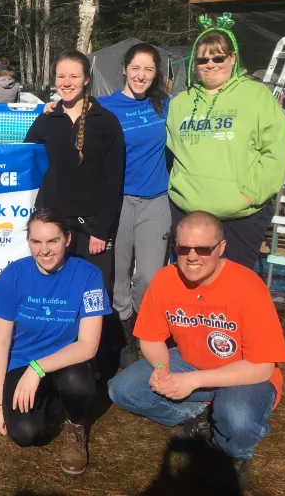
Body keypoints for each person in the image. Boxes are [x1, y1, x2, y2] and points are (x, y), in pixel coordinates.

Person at [107, 211, 285, 490]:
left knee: (238, 418)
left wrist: (193, 381)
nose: (192, 257)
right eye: (183, 249)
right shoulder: (165, 280)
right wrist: (161, 368)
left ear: (221, 248)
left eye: (203, 249)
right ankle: (201, 413)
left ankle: (236, 454)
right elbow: (151, 338)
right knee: (122, 390)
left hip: (243, 375)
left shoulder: (248, 285)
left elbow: (262, 367)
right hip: (190, 362)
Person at [0, 49, 124, 287]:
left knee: (95, 292)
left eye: (74, 76)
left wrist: (101, 230)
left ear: (87, 79)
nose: (66, 83)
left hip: (92, 225)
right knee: (56, 289)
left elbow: (113, 179)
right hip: (53, 223)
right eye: (61, 76)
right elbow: (24, 154)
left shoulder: (106, 121)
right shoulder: (48, 119)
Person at [0, 208, 111, 476]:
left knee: (77, 383)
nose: (44, 250)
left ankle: (75, 423)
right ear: (28, 241)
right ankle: (48, 400)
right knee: (25, 434)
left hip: (68, 361)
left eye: (53, 241)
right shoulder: (14, 274)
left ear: (67, 239)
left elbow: (88, 345)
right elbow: (0, 343)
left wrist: (38, 368)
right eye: (36, 242)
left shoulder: (89, 275)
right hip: (23, 362)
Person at [166, 16, 285, 270]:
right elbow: (172, 152)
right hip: (188, 213)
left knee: (233, 283)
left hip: (240, 216)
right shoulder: (180, 102)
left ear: (233, 58)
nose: (210, 65)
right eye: (202, 60)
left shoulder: (256, 95)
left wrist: (249, 195)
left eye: (218, 58)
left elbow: (277, 152)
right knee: (189, 280)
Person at [97, 43, 172, 368]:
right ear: (125, 69)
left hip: (156, 201)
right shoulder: (104, 106)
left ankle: (146, 330)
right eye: (136, 68)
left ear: (155, 74)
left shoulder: (165, 106)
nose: (141, 75)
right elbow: (68, 123)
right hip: (119, 201)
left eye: (148, 70)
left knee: (151, 277)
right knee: (118, 273)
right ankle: (125, 335)